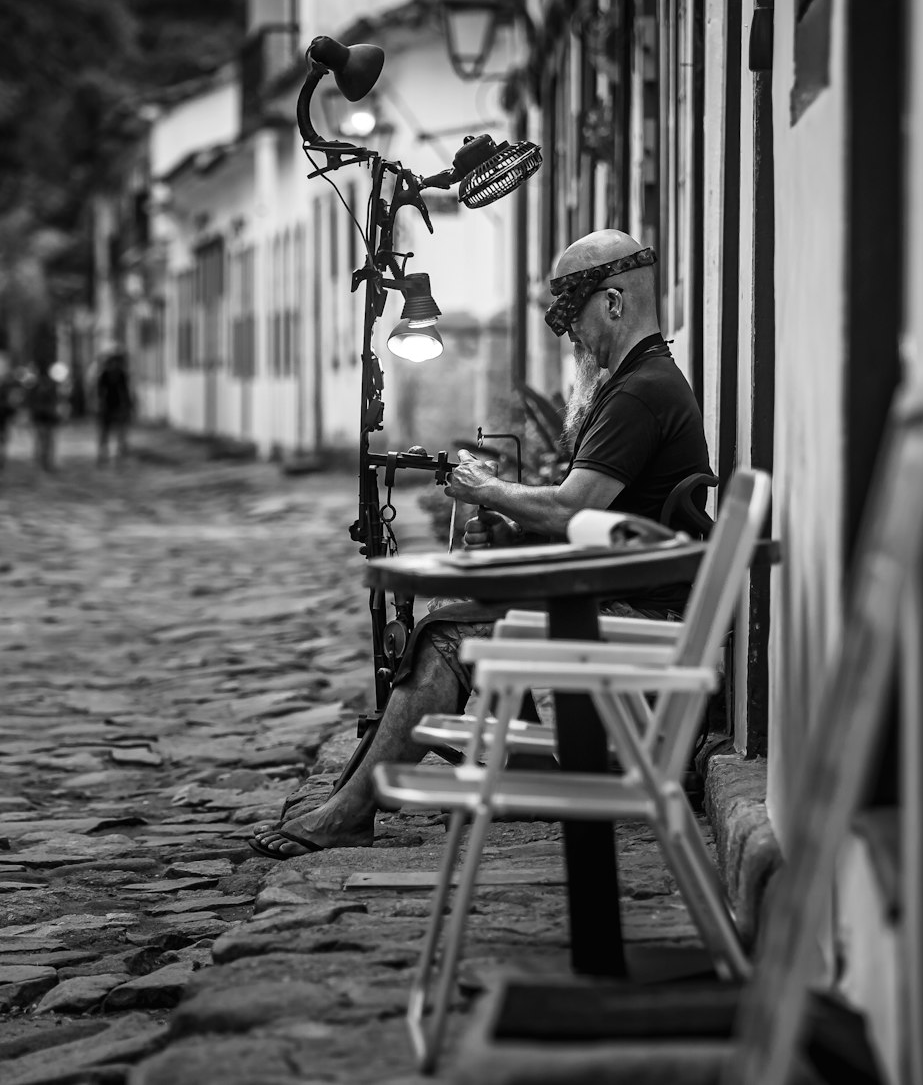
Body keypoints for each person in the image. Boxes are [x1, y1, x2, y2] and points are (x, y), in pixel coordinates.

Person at [247, 229, 712, 859]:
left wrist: (487, 490)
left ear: (612, 304)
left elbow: (576, 506)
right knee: (453, 624)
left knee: (444, 636)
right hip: (629, 606)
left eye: (574, 317)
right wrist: (517, 529)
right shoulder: (645, 382)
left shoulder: (638, 392)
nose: (571, 335)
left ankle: (350, 811)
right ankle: (353, 797)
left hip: (634, 623)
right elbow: (599, 521)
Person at [95, 347, 134, 464]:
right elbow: (100, 393)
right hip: (107, 407)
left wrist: (127, 405)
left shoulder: (122, 375)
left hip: (118, 407)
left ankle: (120, 452)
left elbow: (125, 391)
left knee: (120, 431)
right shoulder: (104, 375)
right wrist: (100, 405)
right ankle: (103, 453)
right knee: (104, 432)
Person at [25, 364, 63, 471]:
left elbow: (31, 402)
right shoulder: (41, 385)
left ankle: (45, 462)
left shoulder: (37, 385)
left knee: (44, 440)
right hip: (43, 416)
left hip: (45, 417)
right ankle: (45, 462)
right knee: (45, 440)